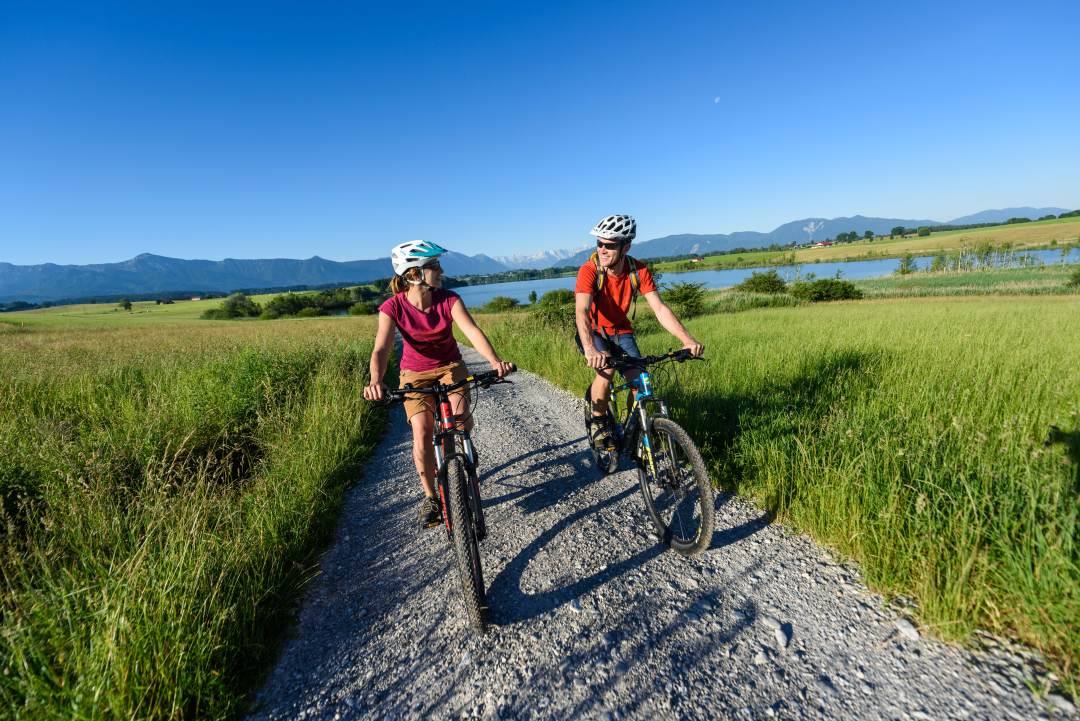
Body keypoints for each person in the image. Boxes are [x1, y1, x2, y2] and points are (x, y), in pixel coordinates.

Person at [363, 240, 514, 528]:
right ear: (414, 274)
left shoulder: (449, 299)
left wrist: (495, 362)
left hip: (450, 367)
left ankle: (462, 450)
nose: (441, 269)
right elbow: (381, 349)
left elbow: (471, 331)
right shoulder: (392, 307)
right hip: (414, 373)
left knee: (460, 419)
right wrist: (376, 381)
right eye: (434, 265)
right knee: (422, 432)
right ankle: (431, 497)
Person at [575, 214, 704, 449]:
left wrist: (687, 340)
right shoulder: (589, 270)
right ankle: (599, 421)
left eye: (610, 245)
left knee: (643, 383)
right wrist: (591, 349)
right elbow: (582, 311)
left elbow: (660, 309)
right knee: (607, 371)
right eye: (599, 243)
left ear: (626, 246)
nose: (602, 249)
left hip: (622, 331)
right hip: (594, 332)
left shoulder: (638, 270)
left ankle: (635, 426)